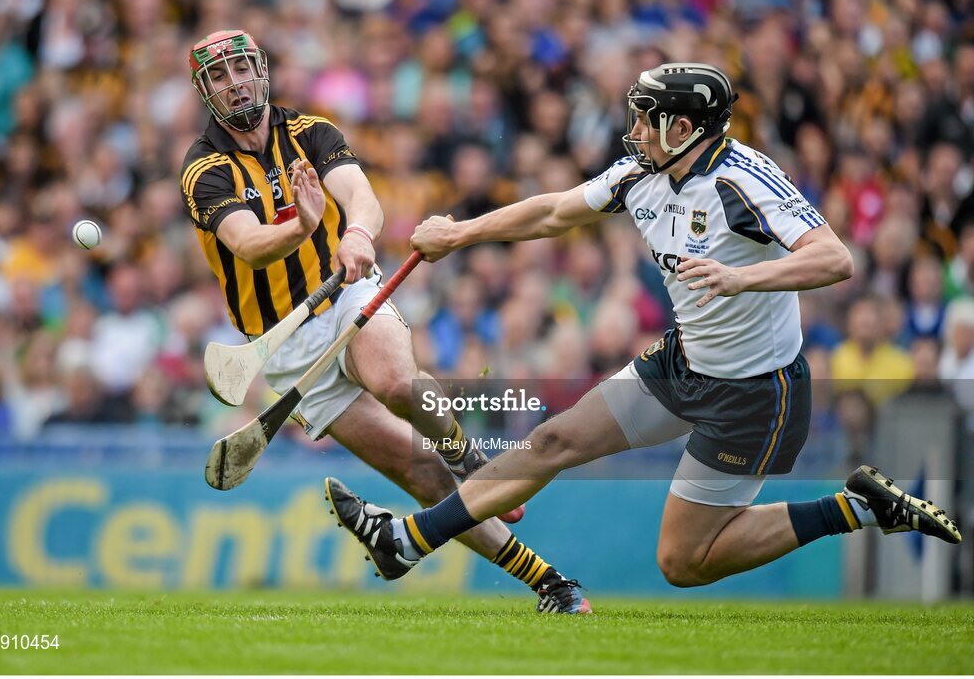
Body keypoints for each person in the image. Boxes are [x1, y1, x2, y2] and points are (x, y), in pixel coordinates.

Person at [325, 62, 962, 597]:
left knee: (682, 563)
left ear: (682, 127)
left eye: (644, 118)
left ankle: (851, 507)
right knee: (553, 441)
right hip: (681, 363)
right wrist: (461, 233)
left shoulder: (745, 178)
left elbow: (835, 257)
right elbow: (553, 211)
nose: (632, 131)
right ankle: (407, 542)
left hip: (755, 392)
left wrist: (744, 279)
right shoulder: (640, 174)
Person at [180, 30, 589, 613]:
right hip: (287, 344)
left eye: (241, 68)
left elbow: (361, 195)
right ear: (205, 91)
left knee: (396, 382)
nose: (234, 82)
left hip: (345, 290)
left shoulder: (311, 133)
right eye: (219, 76)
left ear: (260, 69)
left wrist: (355, 232)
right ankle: (551, 583)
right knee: (419, 473)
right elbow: (247, 244)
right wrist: (300, 226)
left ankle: (466, 456)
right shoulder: (203, 169)